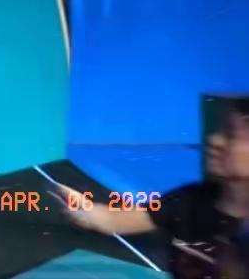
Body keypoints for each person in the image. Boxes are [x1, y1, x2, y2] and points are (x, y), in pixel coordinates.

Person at [56, 102, 248, 277]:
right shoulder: (186, 200)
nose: (215, 140)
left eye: (231, 134)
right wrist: (82, 208)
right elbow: (110, 220)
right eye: (221, 130)